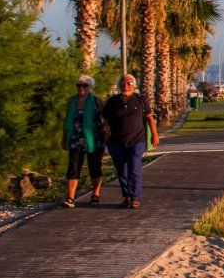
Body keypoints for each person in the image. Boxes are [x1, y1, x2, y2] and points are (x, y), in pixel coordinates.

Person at [103, 74, 159, 209]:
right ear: (118, 85)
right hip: (116, 142)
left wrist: (155, 135)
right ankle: (127, 196)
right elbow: (106, 121)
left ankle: (135, 198)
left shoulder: (140, 100)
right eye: (123, 83)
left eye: (129, 83)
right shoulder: (112, 101)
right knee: (122, 171)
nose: (126, 85)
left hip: (137, 141)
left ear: (134, 86)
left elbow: (149, 118)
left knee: (134, 168)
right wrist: (105, 140)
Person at [62, 74, 106, 208]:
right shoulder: (72, 101)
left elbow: (106, 119)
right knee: (73, 167)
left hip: (94, 140)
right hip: (75, 140)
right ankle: (70, 197)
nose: (81, 88)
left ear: (90, 87)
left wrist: (107, 133)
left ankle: (95, 193)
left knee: (94, 167)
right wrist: (64, 138)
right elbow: (67, 121)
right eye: (78, 85)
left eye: (84, 86)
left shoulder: (97, 101)